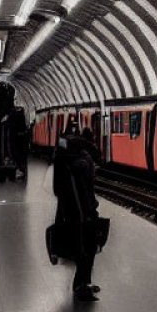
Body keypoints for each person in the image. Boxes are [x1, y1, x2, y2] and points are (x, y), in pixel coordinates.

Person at [52, 122, 101, 302]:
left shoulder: (65, 159)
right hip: (82, 212)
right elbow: (85, 190)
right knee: (86, 248)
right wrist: (90, 210)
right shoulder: (81, 162)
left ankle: (83, 283)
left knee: (83, 248)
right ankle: (80, 286)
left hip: (74, 210)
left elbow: (61, 190)